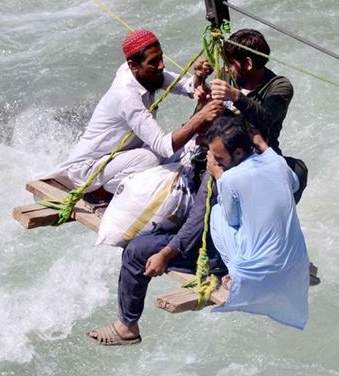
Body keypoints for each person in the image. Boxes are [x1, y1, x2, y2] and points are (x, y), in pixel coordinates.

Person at [42, 29, 224, 203]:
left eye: (161, 58)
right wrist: (200, 118)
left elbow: (185, 86)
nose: (161, 66)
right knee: (150, 159)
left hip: (122, 156)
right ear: (133, 66)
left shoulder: (146, 72)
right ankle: (99, 193)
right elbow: (163, 146)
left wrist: (198, 77)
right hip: (89, 169)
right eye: (154, 62)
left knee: (187, 146)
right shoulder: (126, 96)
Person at [84, 130, 227, 346]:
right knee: (148, 237)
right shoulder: (228, 162)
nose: (200, 142)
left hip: (221, 251)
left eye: (208, 144)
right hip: (214, 235)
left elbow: (198, 221)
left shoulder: (219, 172)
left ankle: (127, 328)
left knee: (136, 252)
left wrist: (165, 254)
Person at [206, 116, 310, 330]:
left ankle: (235, 275)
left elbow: (231, 220)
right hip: (296, 269)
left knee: (217, 212)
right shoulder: (276, 161)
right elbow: (293, 184)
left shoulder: (229, 178)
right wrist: (262, 143)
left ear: (238, 153)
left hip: (254, 278)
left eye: (219, 157)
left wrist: (219, 177)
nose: (216, 162)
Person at [195, 28, 308, 202]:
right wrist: (199, 83)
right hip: (225, 154)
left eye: (230, 62)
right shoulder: (225, 75)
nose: (226, 67)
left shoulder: (280, 87)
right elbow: (203, 116)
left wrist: (236, 96)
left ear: (247, 64)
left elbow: (265, 119)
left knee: (299, 170)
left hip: (259, 155)